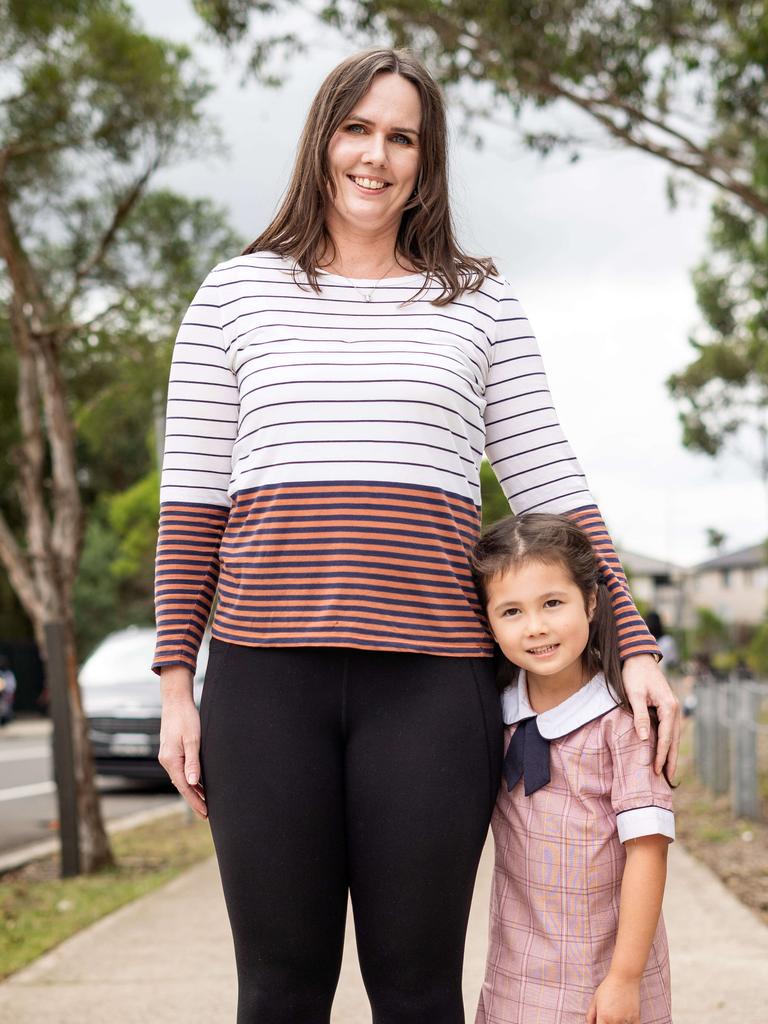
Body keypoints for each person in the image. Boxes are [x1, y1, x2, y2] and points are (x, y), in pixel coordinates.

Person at [152, 46, 680, 1023]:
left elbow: (551, 483)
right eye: (357, 128)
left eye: (403, 138)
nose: (376, 155)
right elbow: (191, 504)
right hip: (265, 685)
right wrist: (177, 684)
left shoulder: (477, 300)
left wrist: (636, 646)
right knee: (278, 988)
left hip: (433, 690)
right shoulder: (234, 294)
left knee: (417, 990)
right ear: (323, 141)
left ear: (426, 163)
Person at [471, 512, 674, 1024]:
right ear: (489, 623)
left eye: (553, 603)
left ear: (589, 601)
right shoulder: (491, 713)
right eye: (511, 611)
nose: (536, 626)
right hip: (516, 976)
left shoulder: (624, 721)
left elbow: (648, 852)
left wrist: (624, 979)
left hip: (604, 974)